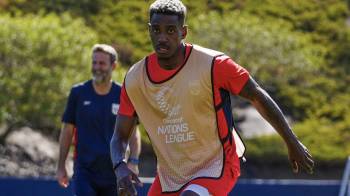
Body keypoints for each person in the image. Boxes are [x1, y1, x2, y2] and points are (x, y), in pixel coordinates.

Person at [110, 0, 314, 195]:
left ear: (183, 32)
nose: (162, 37)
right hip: (171, 175)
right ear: (149, 30)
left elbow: (257, 96)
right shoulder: (135, 79)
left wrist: (291, 142)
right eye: (156, 30)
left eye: (170, 30)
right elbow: (120, 135)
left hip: (217, 165)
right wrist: (120, 167)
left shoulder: (214, 64)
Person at [56, 44, 141, 196]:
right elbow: (67, 131)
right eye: (94, 62)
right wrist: (61, 165)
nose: (97, 67)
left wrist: (133, 162)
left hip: (115, 171)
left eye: (102, 63)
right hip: (85, 171)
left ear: (113, 66)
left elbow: (133, 132)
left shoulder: (122, 93)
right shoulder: (78, 93)